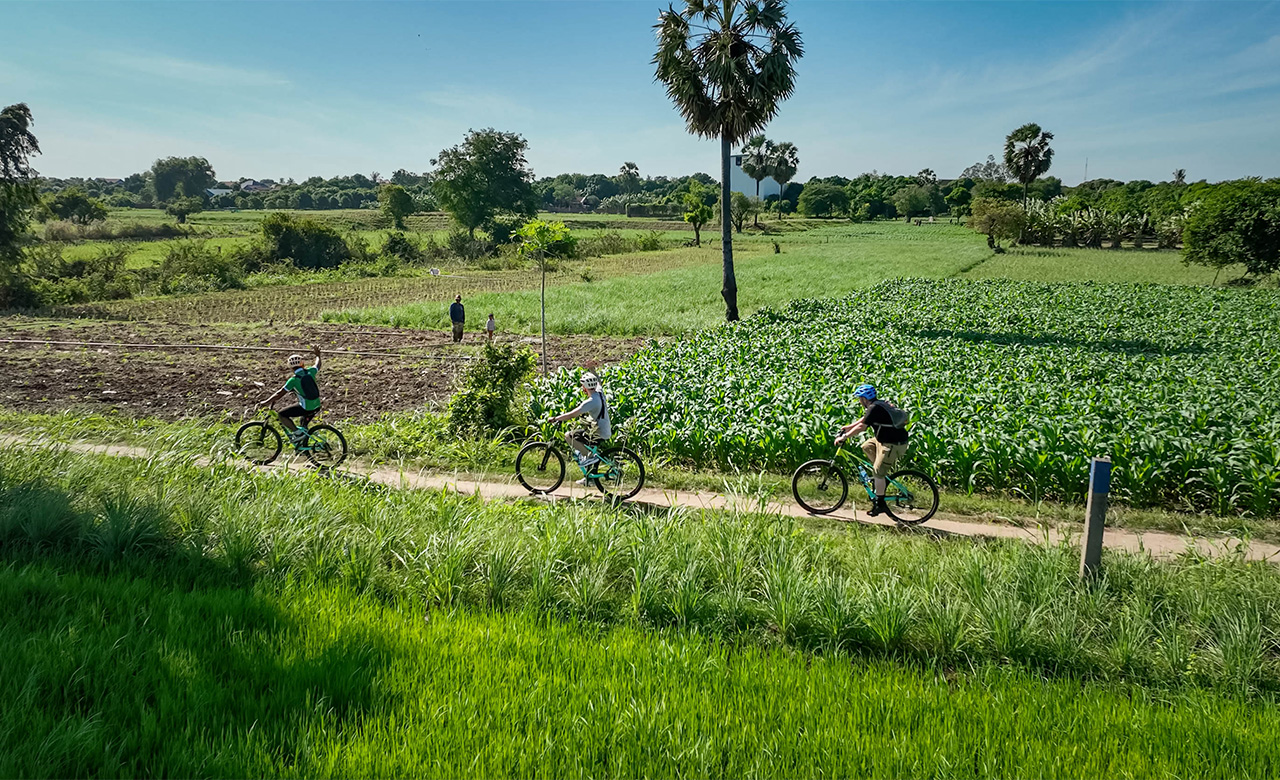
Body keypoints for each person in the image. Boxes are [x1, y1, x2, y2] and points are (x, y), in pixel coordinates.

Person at [835, 384, 909, 516]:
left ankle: (880, 504)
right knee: (866, 446)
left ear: (865, 398)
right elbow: (865, 419)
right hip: (883, 440)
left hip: (892, 444)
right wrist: (849, 427)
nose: (859, 401)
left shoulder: (874, 408)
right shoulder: (877, 405)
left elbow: (862, 427)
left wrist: (844, 437)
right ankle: (880, 477)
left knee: (877, 472)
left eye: (860, 398)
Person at [544, 372, 611, 478]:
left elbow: (572, 414)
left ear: (585, 387)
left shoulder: (591, 401)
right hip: (602, 429)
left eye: (582, 385)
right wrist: (592, 369)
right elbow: (598, 381)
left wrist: (556, 418)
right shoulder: (599, 392)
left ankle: (589, 458)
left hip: (599, 432)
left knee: (568, 436)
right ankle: (588, 478)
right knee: (582, 445)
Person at [259, 346, 323, 445]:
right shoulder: (310, 372)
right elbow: (317, 365)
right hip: (317, 405)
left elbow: (279, 393)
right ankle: (303, 446)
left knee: (282, 414)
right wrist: (318, 355)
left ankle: (297, 433)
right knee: (303, 424)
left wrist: (266, 402)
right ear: (302, 364)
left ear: (290, 367)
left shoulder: (293, 380)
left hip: (306, 407)